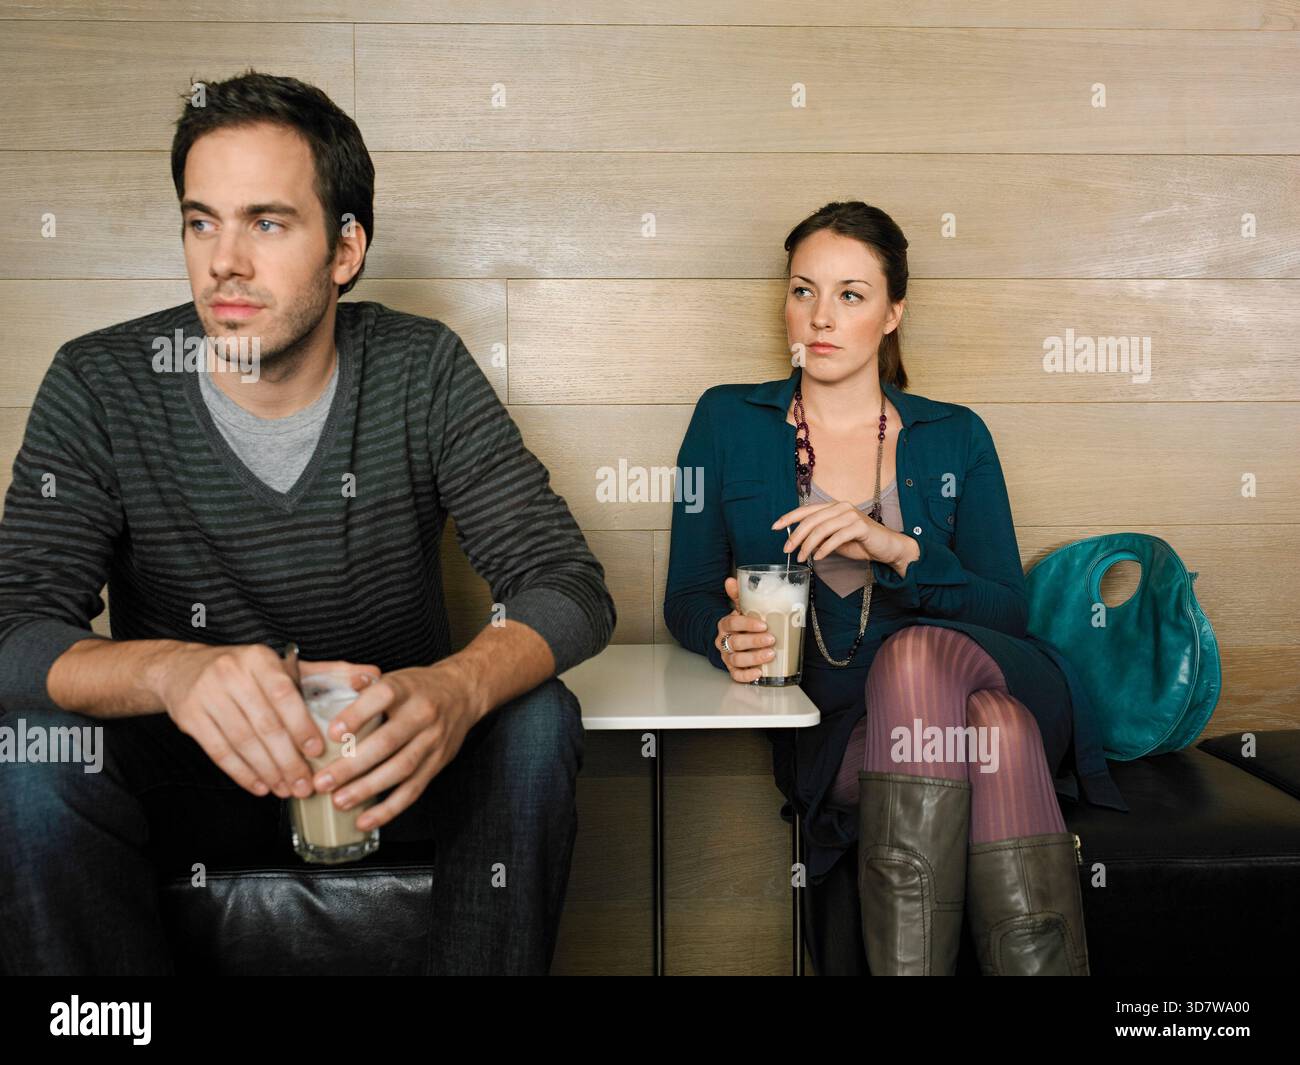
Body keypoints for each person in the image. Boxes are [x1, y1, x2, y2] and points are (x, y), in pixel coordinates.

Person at [0, 71, 616, 976]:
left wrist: (456, 690)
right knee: (27, 755)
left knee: (535, 716)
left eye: (268, 222)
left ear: (346, 248)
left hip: (386, 774)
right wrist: (175, 672)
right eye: (200, 221)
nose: (224, 262)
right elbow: (16, 628)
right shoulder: (101, 382)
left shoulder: (420, 367)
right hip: (187, 783)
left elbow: (568, 584)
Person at [663, 200, 1127, 976]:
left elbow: (1005, 610)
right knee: (999, 733)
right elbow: (685, 595)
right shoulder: (725, 421)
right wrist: (722, 633)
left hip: (996, 667)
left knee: (917, 657)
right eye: (803, 290)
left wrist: (896, 547)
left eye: (851, 294)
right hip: (841, 720)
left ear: (892, 312)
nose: (821, 316)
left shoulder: (956, 434)